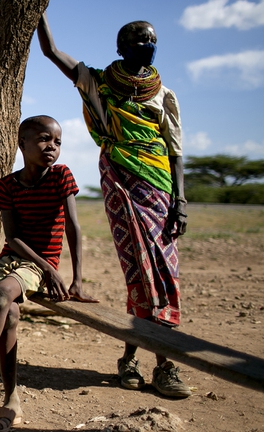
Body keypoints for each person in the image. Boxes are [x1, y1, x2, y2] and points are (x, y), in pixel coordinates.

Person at [36, 13, 191, 398]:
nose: (146, 44)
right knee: (139, 270)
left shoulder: (164, 95)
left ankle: (147, 362)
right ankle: (155, 363)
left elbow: (175, 152)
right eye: (138, 38)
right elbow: (51, 51)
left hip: (161, 190)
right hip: (121, 183)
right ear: (120, 48)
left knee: (164, 274)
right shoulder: (98, 82)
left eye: (151, 38)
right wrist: (38, 10)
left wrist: (181, 201)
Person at [0, 115, 98, 430]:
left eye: (57, 142)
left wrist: (76, 279)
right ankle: (11, 400)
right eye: (43, 139)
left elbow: (73, 228)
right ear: (21, 144)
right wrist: (47, 267)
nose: (51, 147)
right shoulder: (7, 185)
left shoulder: (61, 176)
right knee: (8, 314)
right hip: (16, 261)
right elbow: (11, 239)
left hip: (37, 267)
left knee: (2, 293)